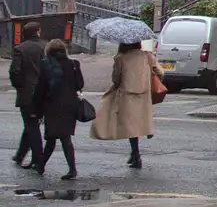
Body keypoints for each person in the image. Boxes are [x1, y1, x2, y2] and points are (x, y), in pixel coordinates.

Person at [91, 40, 162, 169]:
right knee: (138, 125)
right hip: (144, 95)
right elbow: (161, 72)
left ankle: (136, 155)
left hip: (128, 95)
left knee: (131, 127)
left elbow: (116, 78)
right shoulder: (147, 56)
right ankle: (136, 152)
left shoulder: (121, 58)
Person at [31, 40, 84, 180]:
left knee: (52, 137)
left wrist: (36, 110)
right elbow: (80, 84)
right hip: (70, 105)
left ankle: (42, 165)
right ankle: (69, 169)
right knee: (65, 137)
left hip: (53, 105)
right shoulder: (74, 64)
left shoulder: (45, 65)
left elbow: (40, 89)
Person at [9, 21, 45, 169]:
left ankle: (37, 158)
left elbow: (14, 71)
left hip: (28, 92)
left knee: (31, 125)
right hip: (44, 92)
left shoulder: (20, 49)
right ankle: (20, 154)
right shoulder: (46, 46)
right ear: (37, 32)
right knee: (32, 124)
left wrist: (19, 86)